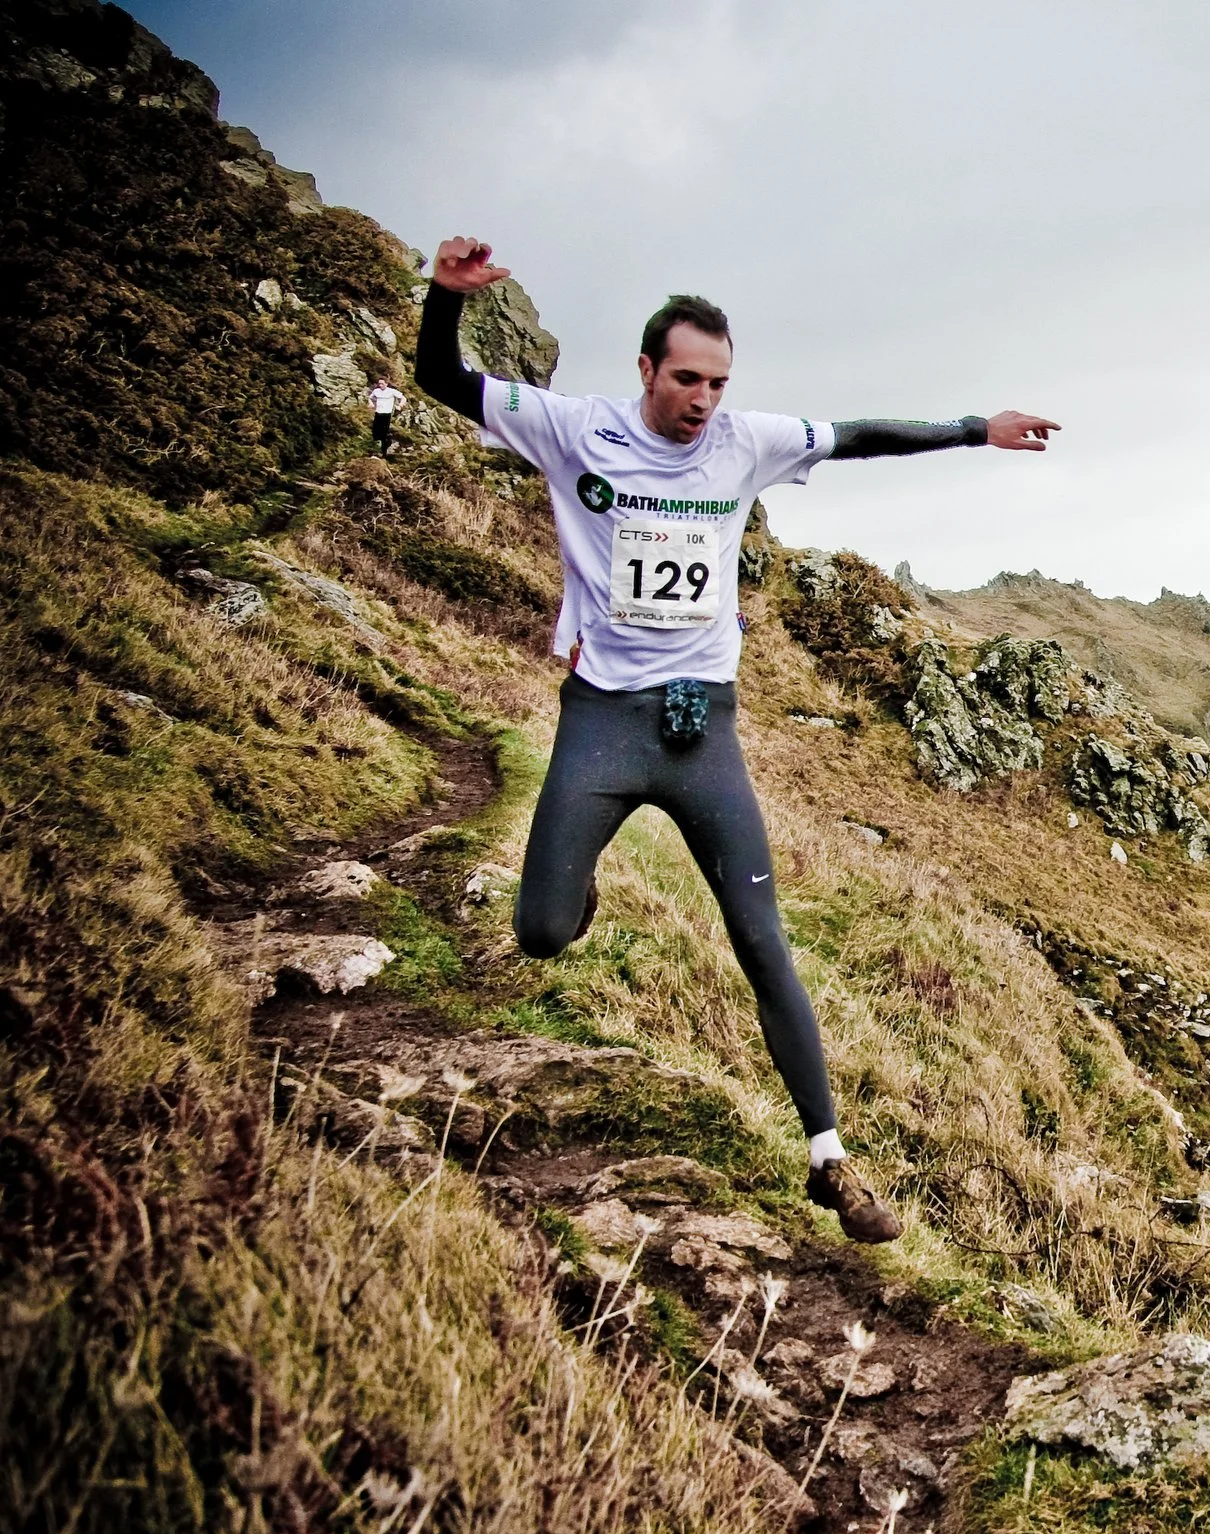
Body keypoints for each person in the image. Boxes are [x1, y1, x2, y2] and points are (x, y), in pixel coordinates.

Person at [413, 234, 1058, 1243]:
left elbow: (860, 437)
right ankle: (574, 880)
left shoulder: (746, 441)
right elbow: (437, 377)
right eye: (685, 379)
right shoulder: (574, 431)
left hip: (701, 732)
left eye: (718, 381)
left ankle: (830, 1160)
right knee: (539, 932)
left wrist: (979, 428)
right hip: (601, 723)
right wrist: (443, 298)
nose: (703, 399)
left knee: (763, 941)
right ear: (644, 371)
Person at [368, 374, 405, 454]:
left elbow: (403, 398)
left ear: (386, 384)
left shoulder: (391, 391)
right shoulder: (376, 391)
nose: (380, 385)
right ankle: (375, 449)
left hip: (386, 414)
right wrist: (371, 403)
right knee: (375, 431)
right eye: (379, 383)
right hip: (378, 413)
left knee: (384, 433)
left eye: (382, 383)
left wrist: (400, 405)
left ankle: (384, 451)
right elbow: (370, 398)